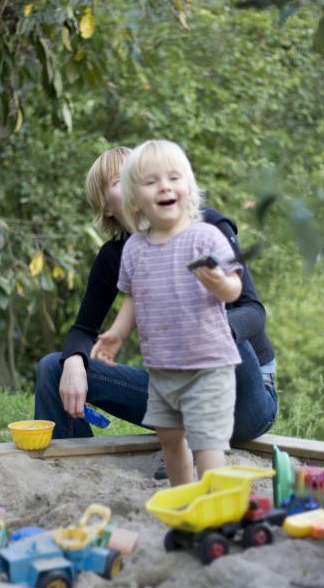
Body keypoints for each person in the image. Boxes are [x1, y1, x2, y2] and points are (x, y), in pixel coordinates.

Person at [34, 144, 277, 468]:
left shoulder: (207, 228)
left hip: (245, 393)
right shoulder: (120, 255)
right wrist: (77, 360)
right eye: (121, 180)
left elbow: (253, 311)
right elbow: (85, 328)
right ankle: (73, 469)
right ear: (106, 207)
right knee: (55, 366)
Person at [90, 139, 243, 485]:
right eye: (151, 182)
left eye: (174, 178)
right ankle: (185, 498)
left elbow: (235, 288)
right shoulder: (134, 250)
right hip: (162, 370)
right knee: (171, 440)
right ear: (133, 199)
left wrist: (219, 284)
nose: (165, 187)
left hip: (208, 366)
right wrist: (116, 334)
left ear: (189, 187)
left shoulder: (207, 237)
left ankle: (214, 506)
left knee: (207, 443)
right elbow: (133, 298)